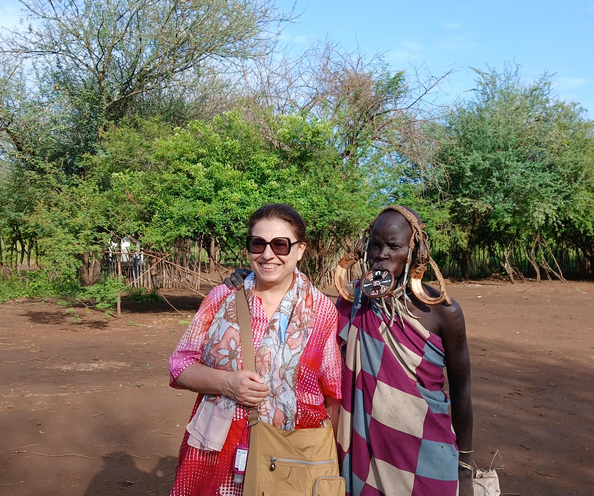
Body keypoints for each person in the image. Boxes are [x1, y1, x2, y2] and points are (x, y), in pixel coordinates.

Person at [168, 203, 343, 496]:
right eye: (258, 243)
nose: (268, 254)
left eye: (281, 245)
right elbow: (180, 364)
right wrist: (226, 383)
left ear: (300, 250)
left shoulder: (323, 312)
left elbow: (332, 393)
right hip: (215, 453)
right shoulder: (223, 297)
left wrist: (329, 458)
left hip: (288, 459)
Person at [333, 205, 474, 496]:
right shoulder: (351, 301)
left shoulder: (443, 313)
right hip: (365, 452)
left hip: (427, 451)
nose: (381, 255)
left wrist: (466, 465)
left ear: (415, 252)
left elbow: (462, 391)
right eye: (375, 245)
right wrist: (250, 282)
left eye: (393, 246)